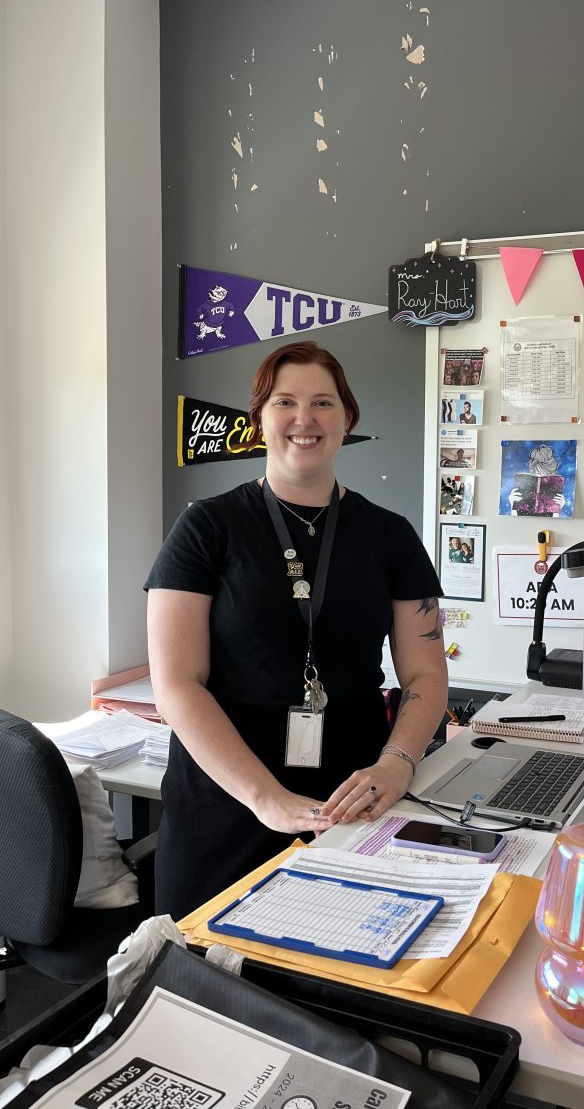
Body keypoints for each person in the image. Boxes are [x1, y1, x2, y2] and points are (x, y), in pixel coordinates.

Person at [145, 341, 447, 920]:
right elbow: (177, 685)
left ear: (347, 419)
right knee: (209, 983)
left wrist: (397, 763)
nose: (304, 419)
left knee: (336, 980)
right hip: (225, 803)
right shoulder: (205, 528)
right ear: (259, 417)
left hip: (353, 801)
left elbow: (425, 671)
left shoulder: (390, 535)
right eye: (285, 401)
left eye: (323, 403)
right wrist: (266, 799)